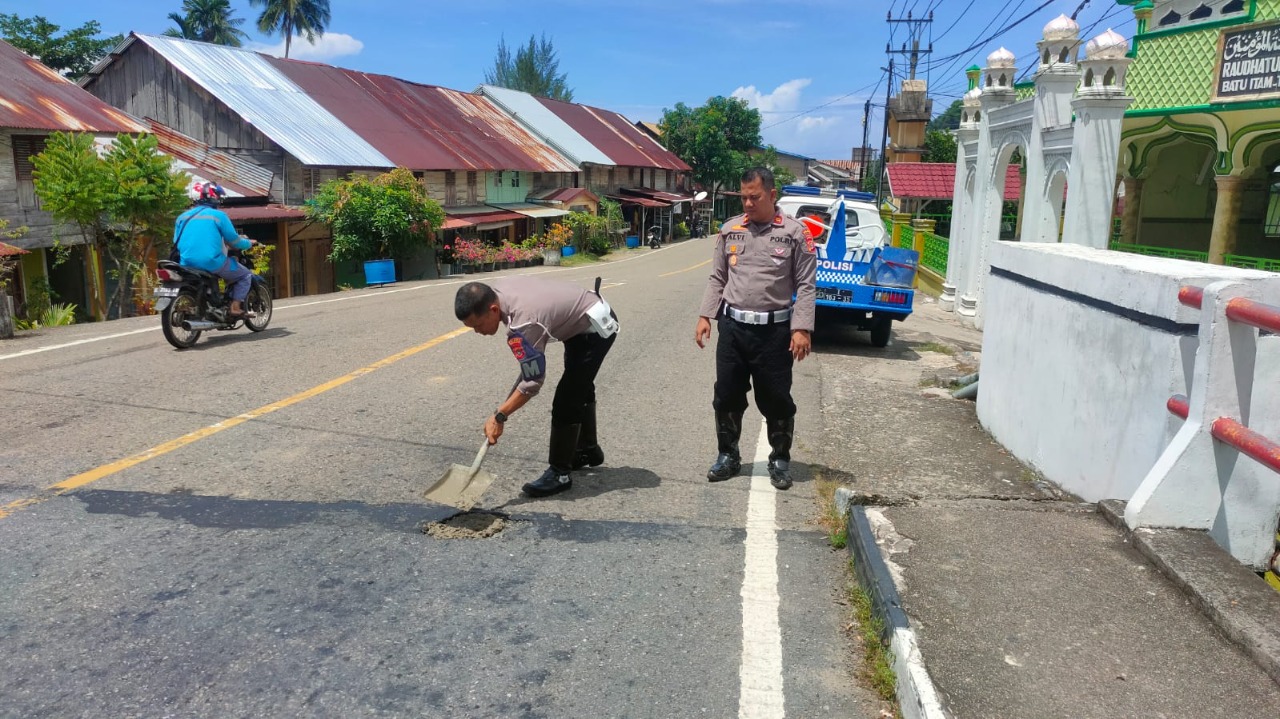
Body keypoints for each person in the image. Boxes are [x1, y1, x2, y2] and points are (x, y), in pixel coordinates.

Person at [694, 167, 817, 490]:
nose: (747, 204)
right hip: (733, 329)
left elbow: (805, 285)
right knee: (727, 395)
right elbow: (717, 278)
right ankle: (728, 455)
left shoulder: (795, 233)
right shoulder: (730, 230)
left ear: (772, 195)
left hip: (774, 333)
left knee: (775, 398)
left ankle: (779, 459)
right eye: (744, 197)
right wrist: (706, 316)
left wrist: (801, 328)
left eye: (754, 197)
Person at [455, 276, 619, 497]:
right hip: (579, 321)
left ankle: (560, 473)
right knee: (578, 384)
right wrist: (500, 413)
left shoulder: (524, 323)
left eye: (478, 325)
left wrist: (500, 415)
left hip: (596, 328)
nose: (478, 332)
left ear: (493, 309)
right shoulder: (499, 289)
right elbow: (528, 372)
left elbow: (532, 381)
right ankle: (587, 450)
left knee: (567, 399)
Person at [174, 182, 256, 318]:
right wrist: (248, 243)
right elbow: (234, 241)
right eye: (218, 197)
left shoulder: (182, 217)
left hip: (185, 263)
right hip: (211, 262)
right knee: (245, 275)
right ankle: (235, 307)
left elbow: (176, 242)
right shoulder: (218, 216)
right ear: (214, 197)